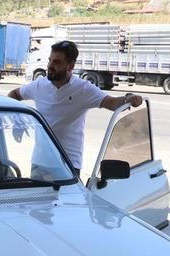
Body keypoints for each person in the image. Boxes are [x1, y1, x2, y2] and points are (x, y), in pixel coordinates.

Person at [8, 40, 143, 174]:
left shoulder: (83, 89)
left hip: (69, 164)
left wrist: (128, 98)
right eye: (50, 60)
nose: (50, 65)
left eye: (57, 62)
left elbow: (112, 103)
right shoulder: (39, 85)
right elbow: (13, 94)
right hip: (40, 162)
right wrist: (17, 121)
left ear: (70, 66)